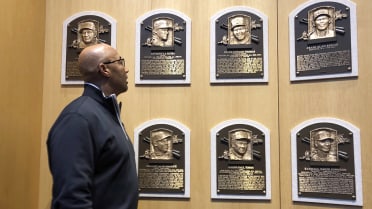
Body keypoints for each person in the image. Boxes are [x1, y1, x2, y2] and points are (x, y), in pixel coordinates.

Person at [47, 43, 138, 209]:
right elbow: (71, 199)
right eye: (120, 62)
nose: (126, 69)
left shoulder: (105, 115)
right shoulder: (78, 119)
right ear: (104, 69)